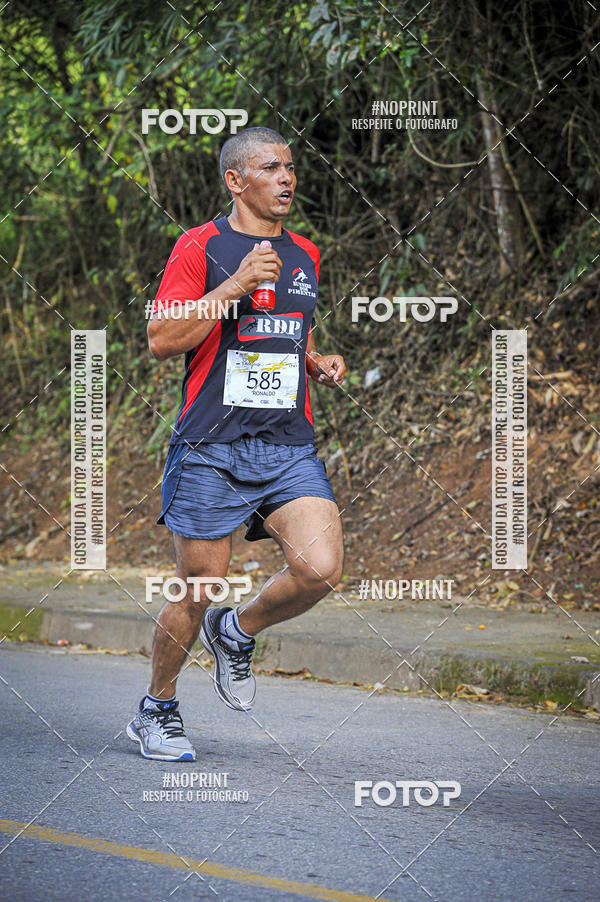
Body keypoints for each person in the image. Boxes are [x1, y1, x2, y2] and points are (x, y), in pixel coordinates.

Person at [127, 127, 346, 761]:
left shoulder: (305, 252)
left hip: (286, 442)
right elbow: (163, 338)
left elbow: (279, 332)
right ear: (236, 180)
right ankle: (158, 707)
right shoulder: (200, 245)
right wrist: (234, 285)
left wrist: (313, 358)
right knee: (199, 587)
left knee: (320, 569)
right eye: (272, 168)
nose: (287, 179)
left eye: (291, 168)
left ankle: (239, 630)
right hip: (212, 443)